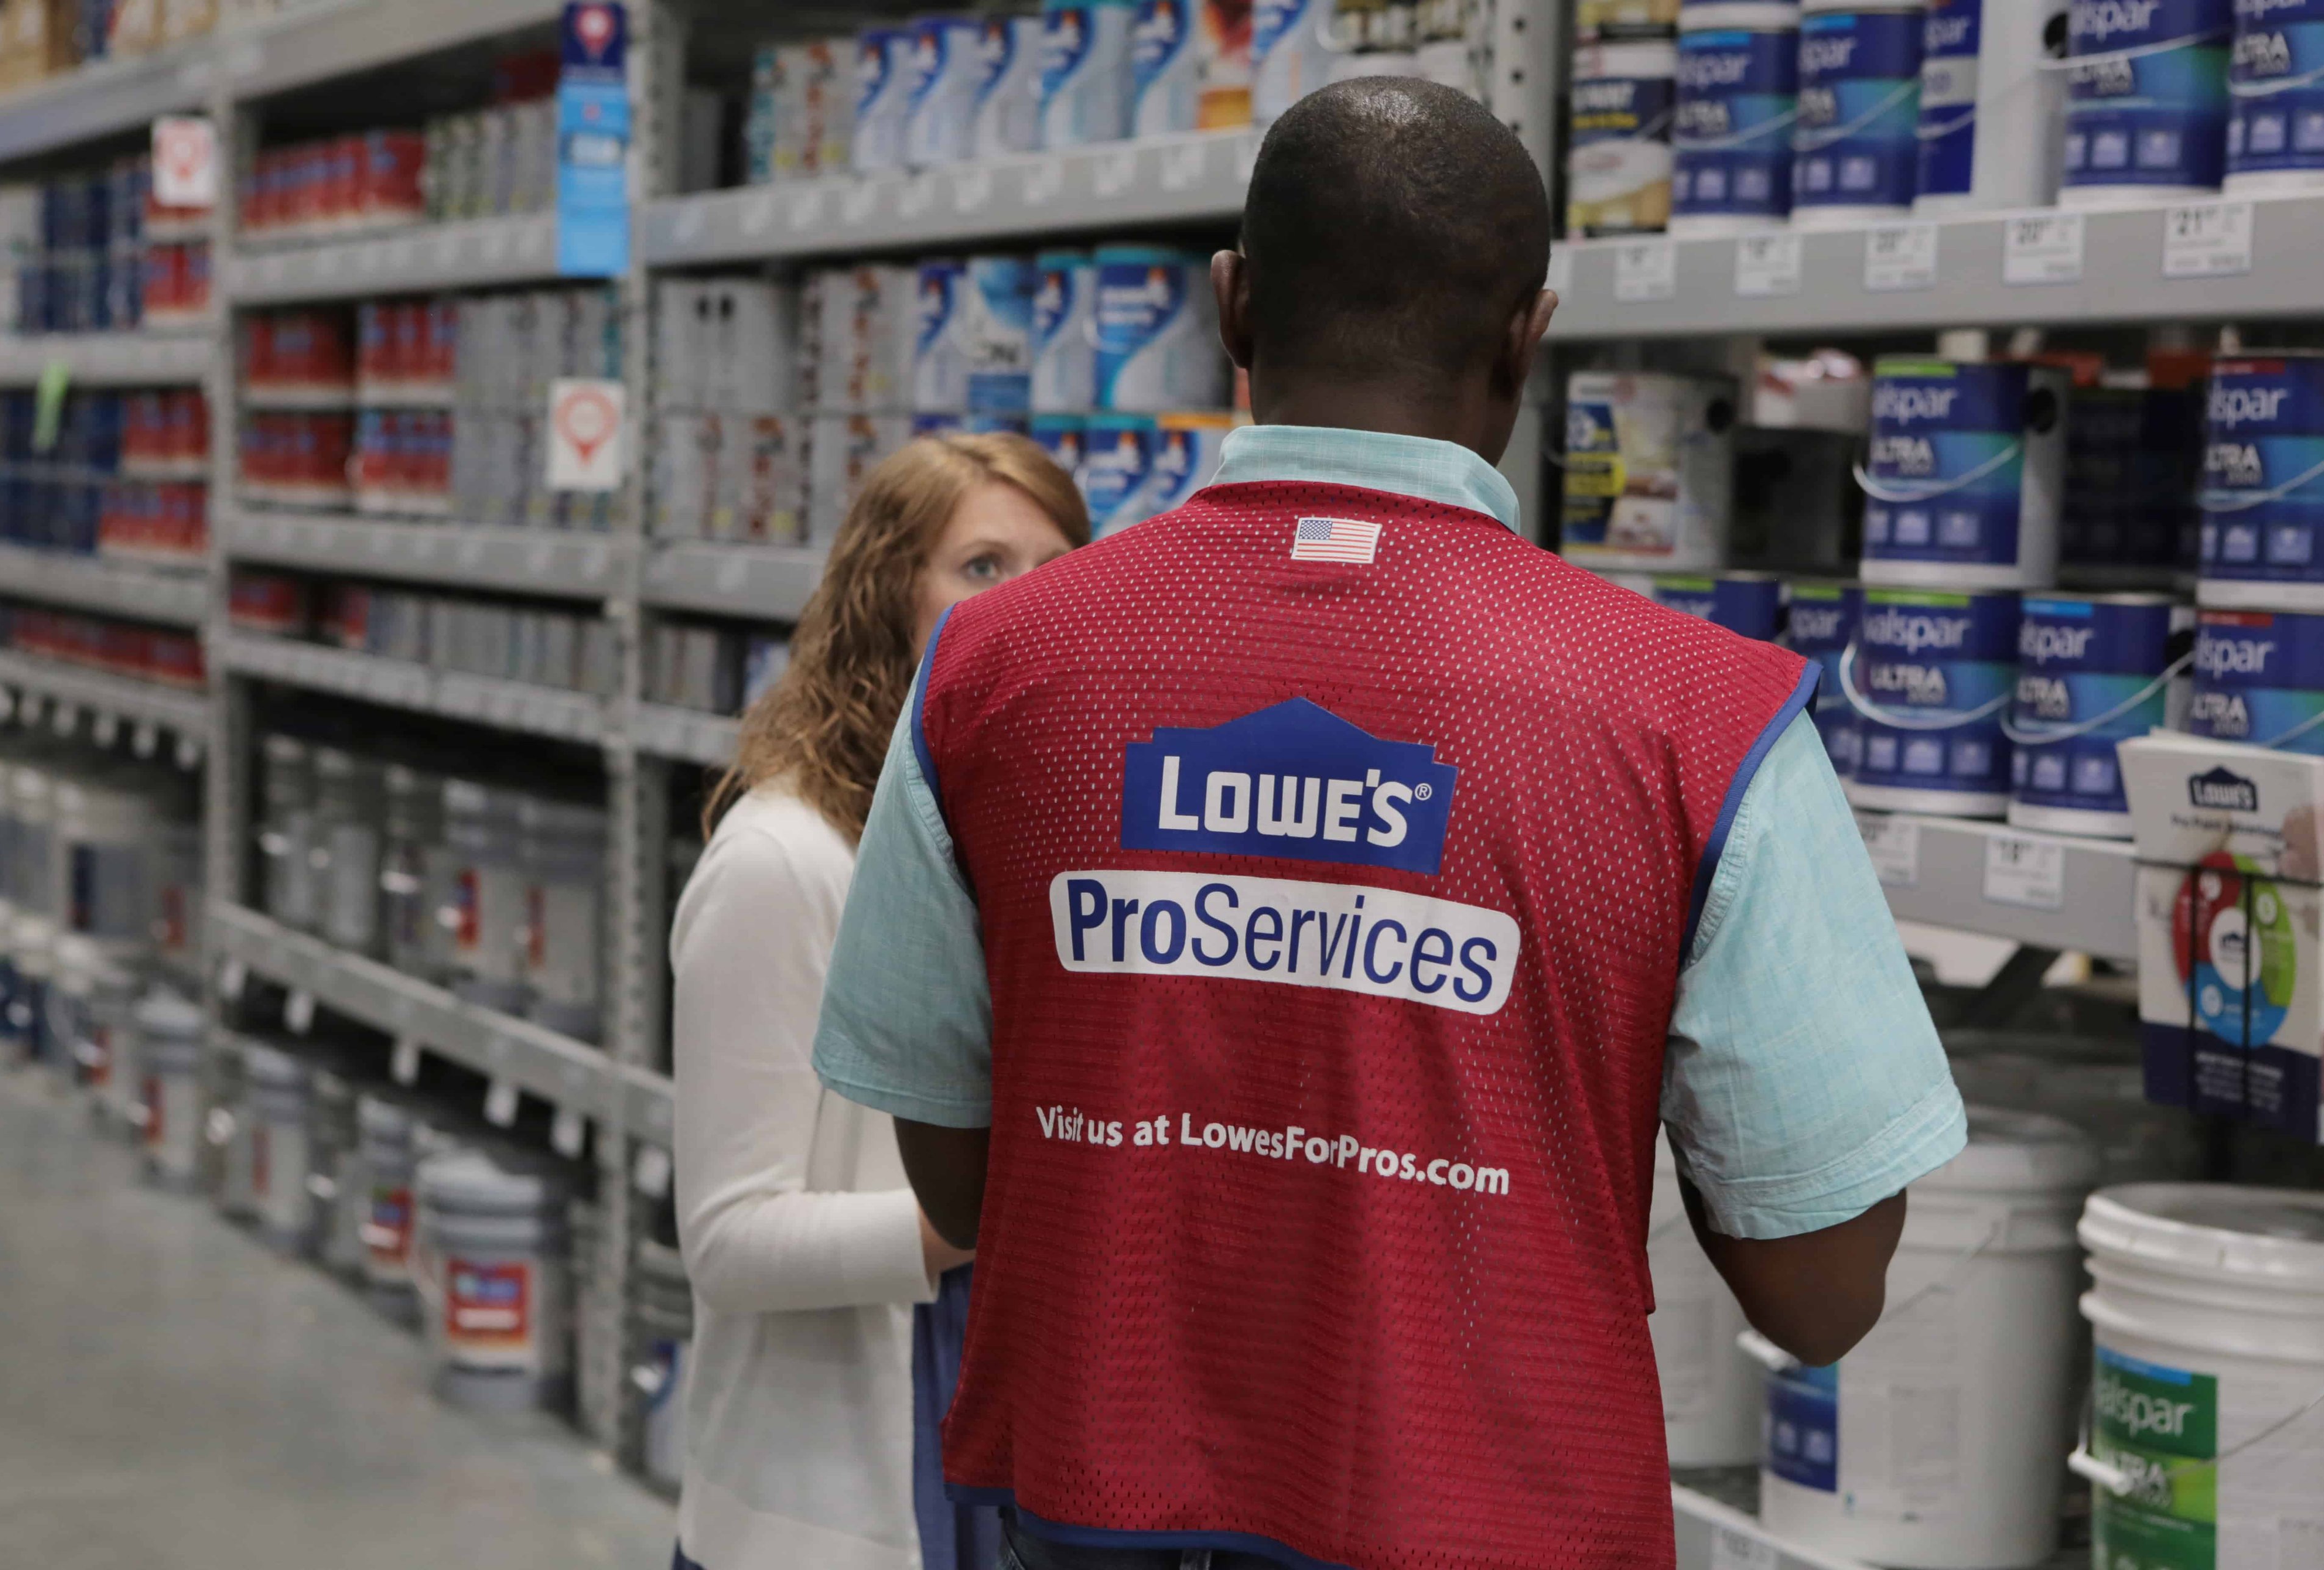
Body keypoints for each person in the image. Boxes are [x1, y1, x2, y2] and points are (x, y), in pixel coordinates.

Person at [811, 78, 1965, 1570]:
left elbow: (959, 1174)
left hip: (1090, 1510)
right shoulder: (1698, 718)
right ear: (1525, 337)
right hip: (1500, 1521)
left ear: (1232, 308)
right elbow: (1821, 1292)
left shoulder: (990, 670)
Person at [668, 432, 1088, 1570]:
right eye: (984, 567)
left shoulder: (1047, 850)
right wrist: (987, 1212)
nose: (1027, 604)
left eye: (1059, 570)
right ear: (887, 602)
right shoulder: (784, 861)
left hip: (1012, 1456)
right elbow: (729, 1240)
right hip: (842, 1503)